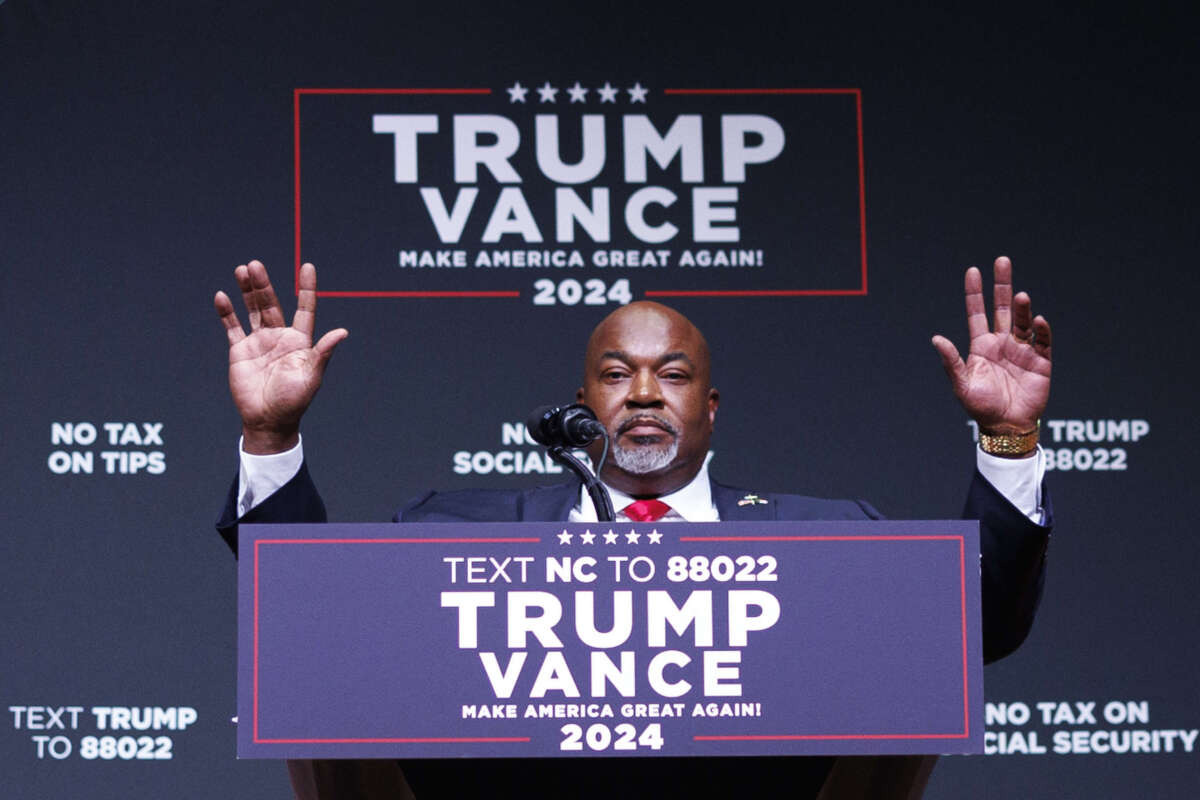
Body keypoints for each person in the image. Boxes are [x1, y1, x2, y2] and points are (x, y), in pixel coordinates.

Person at [214, 257, 1052, 799]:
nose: (644, 393)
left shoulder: (828, 540)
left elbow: (973, 627)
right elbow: (306, 624)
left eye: (674, 375)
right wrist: (272, 436)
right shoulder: (453, 532)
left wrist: (1007, 440)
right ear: (584, 410)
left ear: (710, 410)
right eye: (617, 375)